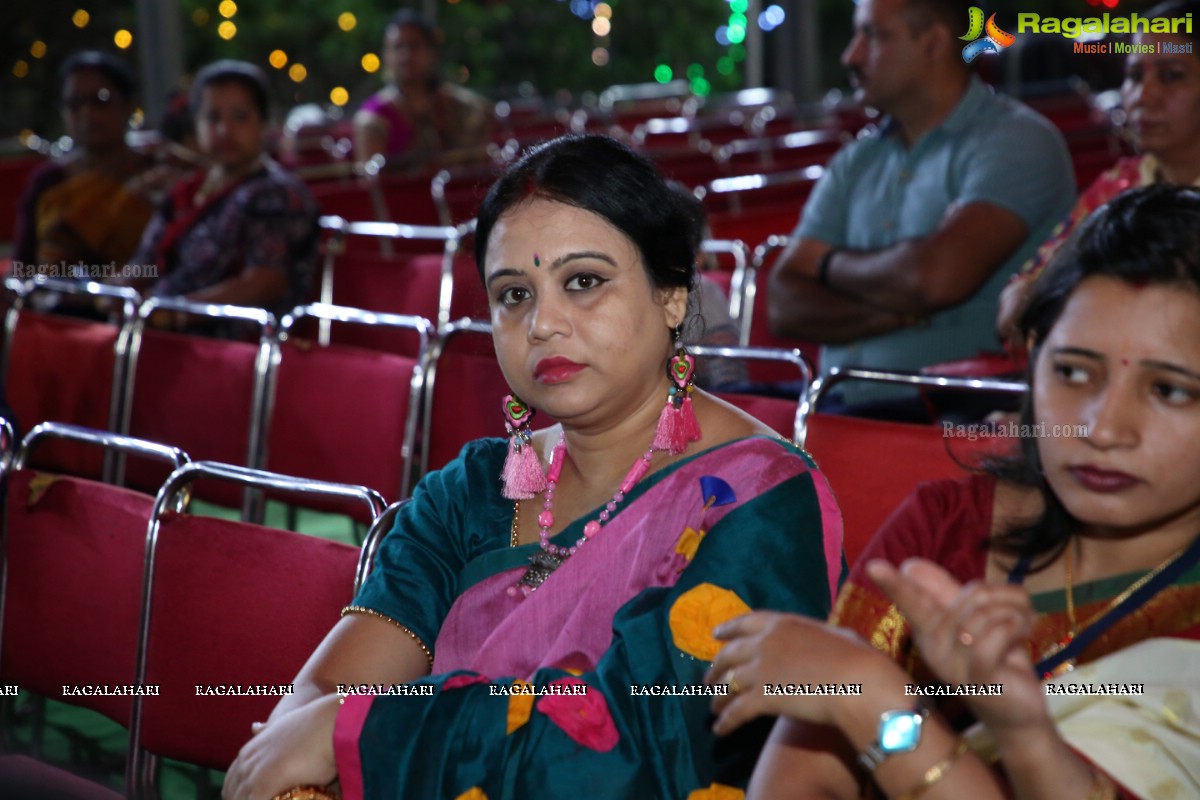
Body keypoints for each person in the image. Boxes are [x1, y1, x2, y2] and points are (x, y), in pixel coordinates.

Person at [221, 134, 843, 800]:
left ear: (670, 295)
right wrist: (317, 740)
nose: (543, 323)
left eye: (584, 282)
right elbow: (324, 690)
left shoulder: (756, 502)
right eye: (514, 295)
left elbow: (647, 747)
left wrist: (354, 733)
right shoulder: (472, 492)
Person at [707, 185, 1200, 799]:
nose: (1101, 428)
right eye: (1073, 372)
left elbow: (851, 698)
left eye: (1170, 391)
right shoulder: (946, 530)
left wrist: (884, 707)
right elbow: (802, 775)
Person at [767, 0, 1075, 417]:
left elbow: (935, 279)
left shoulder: (1016, 141)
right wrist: (904, 309)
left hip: (949, 412)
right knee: (705, 411)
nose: (850, 56)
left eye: (874, 35)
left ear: (934, 44)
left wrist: (825, 265)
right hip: (834, 400)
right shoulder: (858, 158)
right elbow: (784, 304)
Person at [996, 0, 1200, 345]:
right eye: (1134, 77)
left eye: (1171, 76)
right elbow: (1021, 297)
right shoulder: (1118, 187)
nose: (1142, 96)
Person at [128, 60, 318, 315]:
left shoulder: (275, 194)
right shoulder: (187, 190)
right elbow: (145, 264)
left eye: (240, 117)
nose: (224, 130)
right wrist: (118, 290)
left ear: (264, 124)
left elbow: (265, 283)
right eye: (212, 117)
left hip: (230, 342)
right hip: (158, 322)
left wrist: (178, 314)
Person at [12, 51, 156, 276]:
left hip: (138, 304)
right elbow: (23, 269)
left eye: (101, 99)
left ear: (129, 105)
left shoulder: (156, 172)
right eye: (74, 103)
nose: (87, 113)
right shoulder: (49, 181)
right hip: (55, 306)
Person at [353, 9, 493, 168]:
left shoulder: (459, 105)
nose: (406, 55)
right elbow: (371, 186)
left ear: (432, 52)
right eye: (398, 47)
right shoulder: (373, 118)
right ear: (386, 54)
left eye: (414, 46)